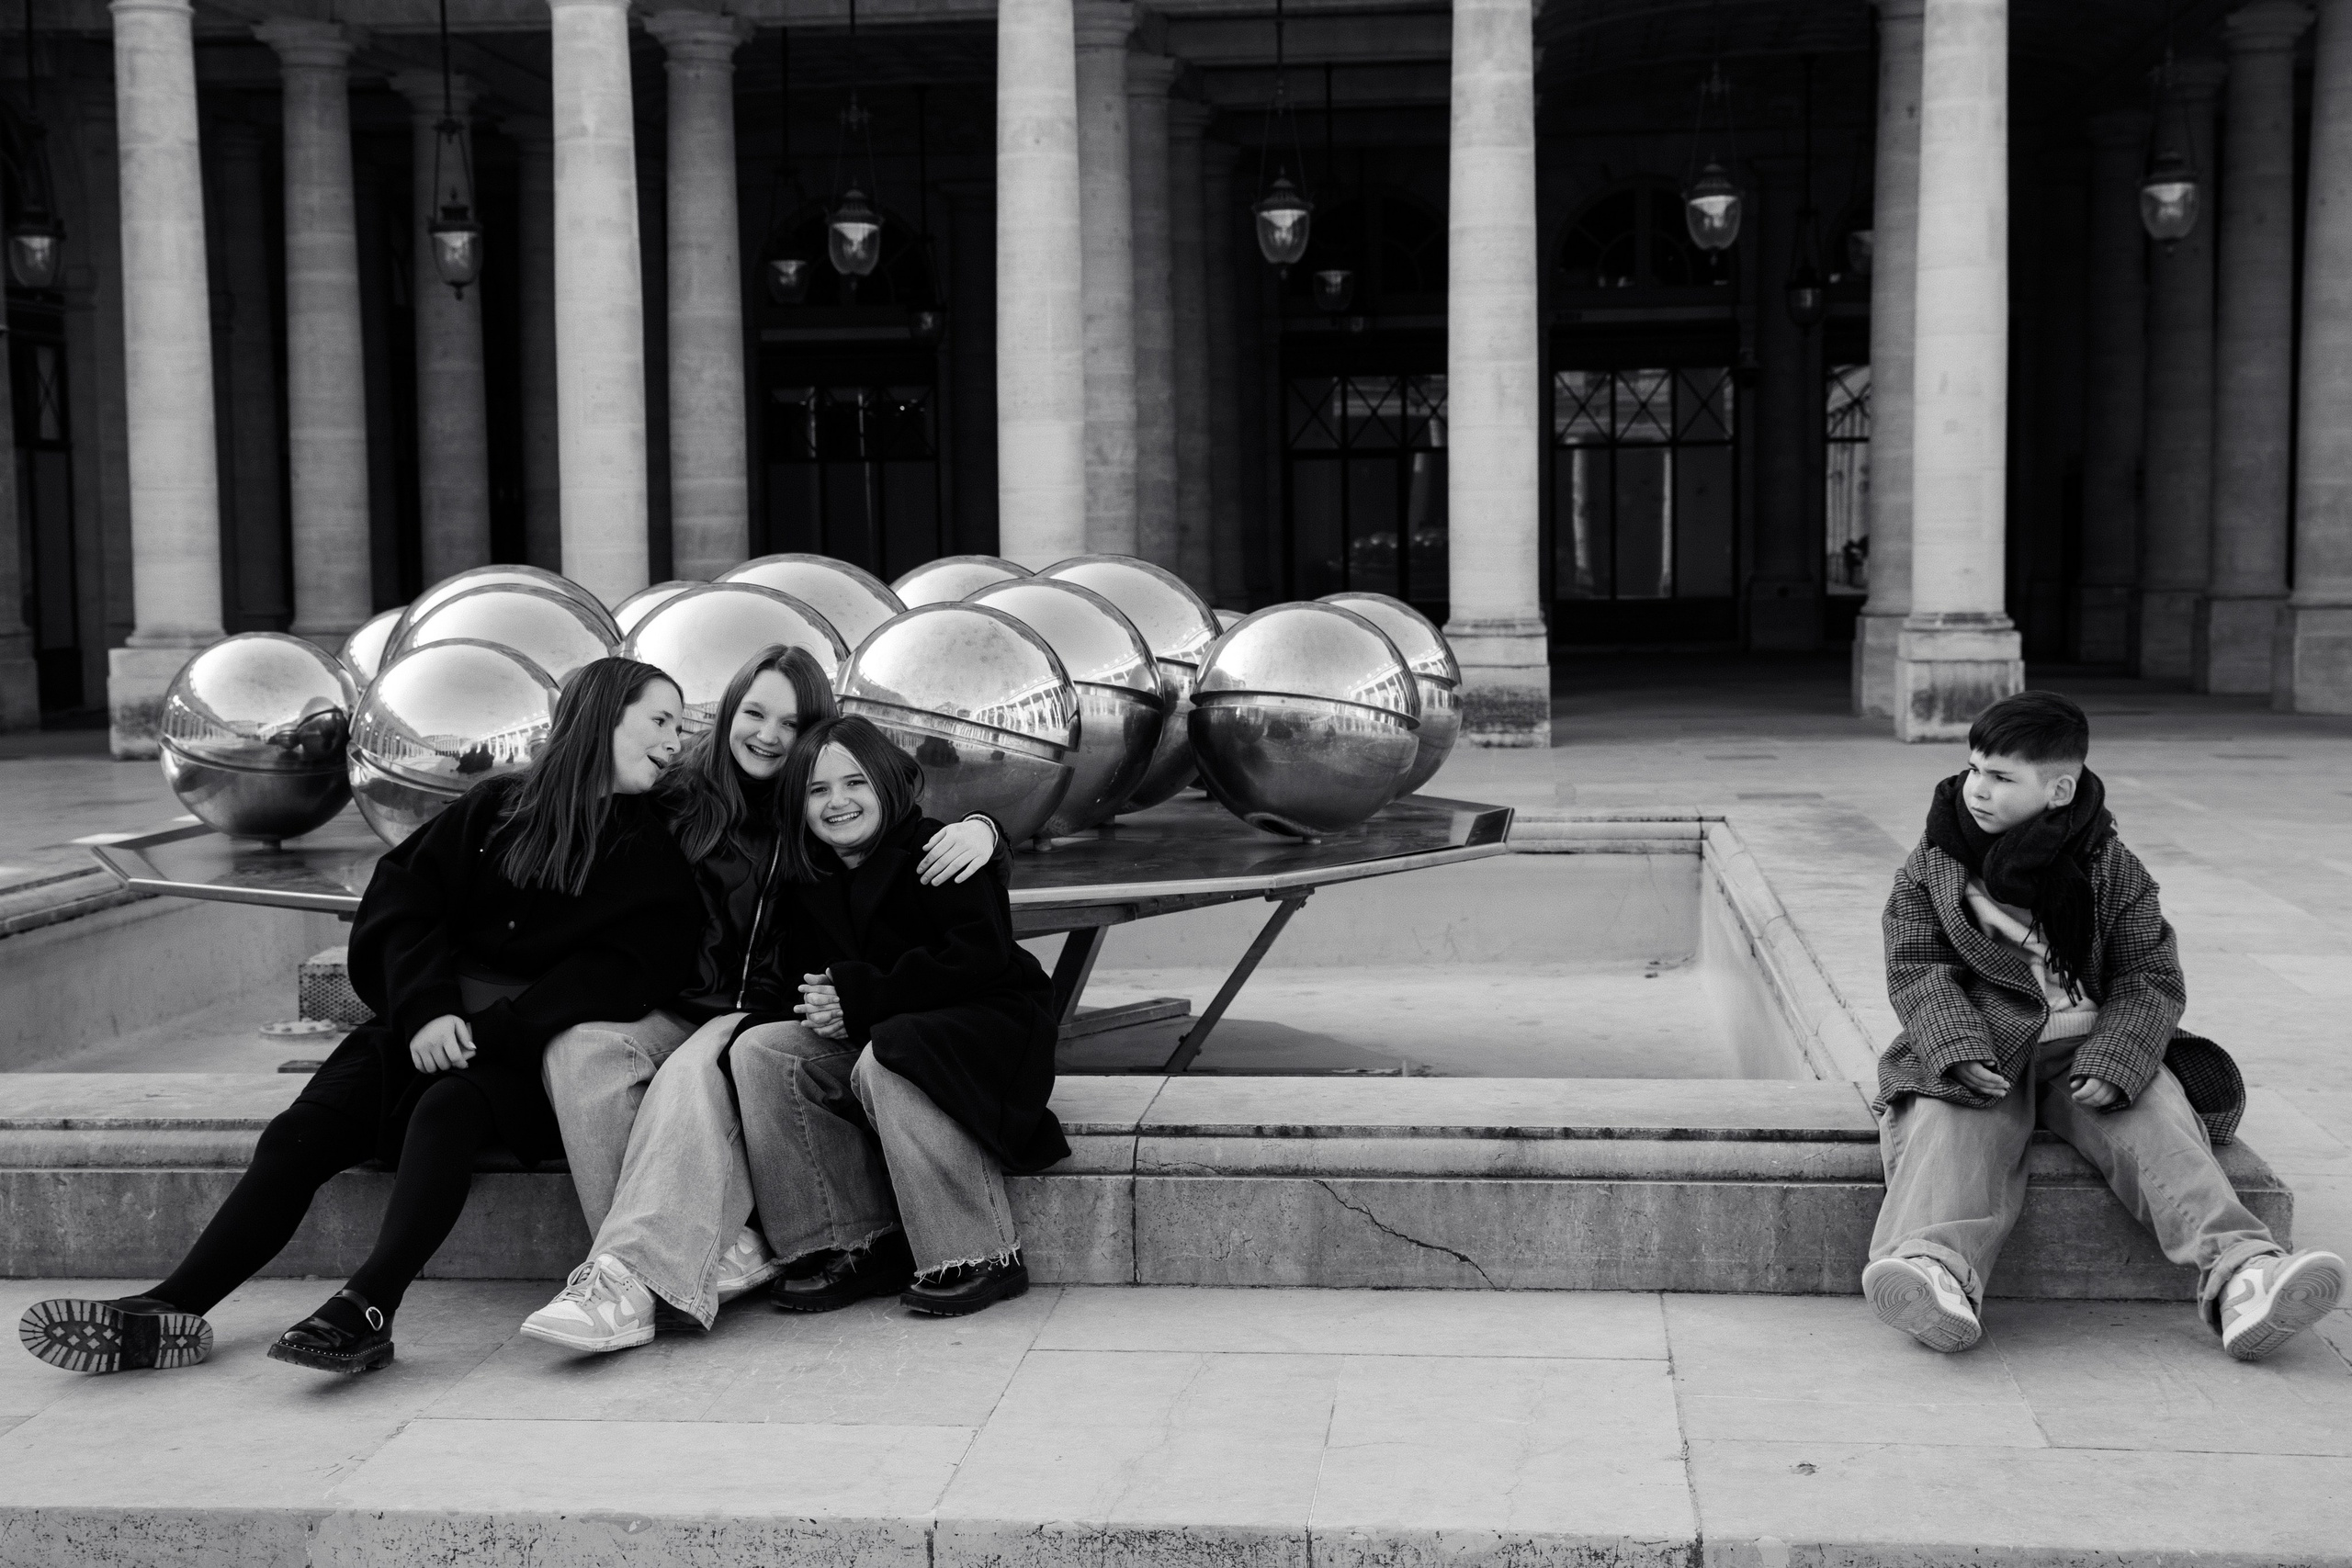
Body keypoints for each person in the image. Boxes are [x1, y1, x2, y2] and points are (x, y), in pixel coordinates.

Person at [17, 658, 704, 1378]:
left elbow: (625, 972)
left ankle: (369, 1307)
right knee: (299, 1133)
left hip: (521, 1056)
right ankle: (174, 1304)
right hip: (421, 1027)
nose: (673, 741)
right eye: (659, 720)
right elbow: (405, 902)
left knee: (446, 1112)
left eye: (679, 726)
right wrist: (427, 1010)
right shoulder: (496, 807)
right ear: (602, 717)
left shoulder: (650, 851)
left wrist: (498, 1029)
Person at [518, 648, 1001, 1352]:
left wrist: (989, 828)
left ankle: (627, 1281)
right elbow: (573, 803)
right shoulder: (676, 797)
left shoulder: (818, 811)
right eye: (755, 712)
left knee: (697, 1064)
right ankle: (663, 1264)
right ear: (729, 710)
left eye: (792, 720)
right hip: (669, 1004)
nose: (770, 734)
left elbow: (905, 829)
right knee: (579, 1046)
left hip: (759, 1013)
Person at [1864, 689, 2344, 1360]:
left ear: (2059, 788)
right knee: (1953, 1127)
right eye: (1974, 767)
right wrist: (1953, 1044)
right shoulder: (1934, 865)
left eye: (2002, 777)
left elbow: (2150, 975)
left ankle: (2244, 1273)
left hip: (2086, 1044)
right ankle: (1934, 1272)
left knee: (2158, 1122)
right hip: (1985, 1045)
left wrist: (2120, 1057)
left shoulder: (2111, 868)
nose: (1976, 788)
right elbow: (1917, 967)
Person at [729, 715, 1067, 1318]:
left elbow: (979, 958)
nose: (838, 802)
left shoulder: (939, 847)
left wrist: (861, 997)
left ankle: (981, 1252)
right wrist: (822, 1004)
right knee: (763, 1052)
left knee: (893, 1050)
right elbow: (812, 984)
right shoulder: (812, 879)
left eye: (854, 782)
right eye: (817, 789)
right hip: (885, 1030)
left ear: (885, 782)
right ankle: (853, 1242)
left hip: (989, 1031)